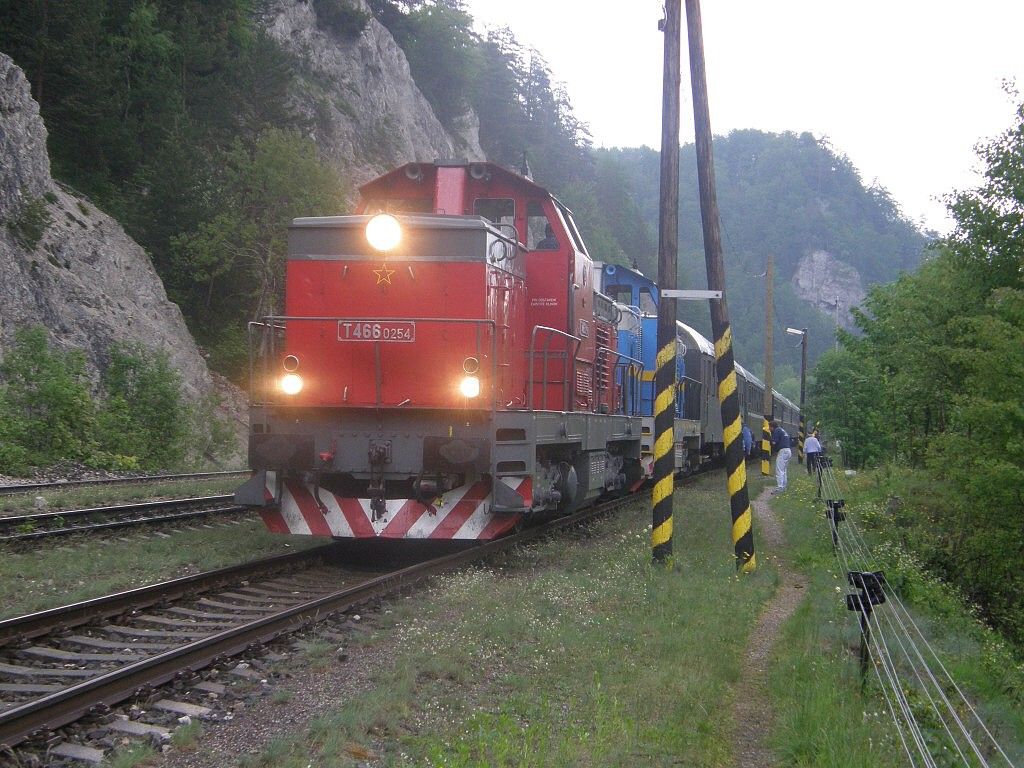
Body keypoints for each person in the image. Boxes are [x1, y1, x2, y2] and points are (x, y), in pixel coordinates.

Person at [770, 419, 792, 493]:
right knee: (784, 470)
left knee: (779, 470)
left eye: (770, 427)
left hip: (783, 451)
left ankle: (780, 487)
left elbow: (774, 442)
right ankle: (784, 486)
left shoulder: (776, 431)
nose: (769, 429)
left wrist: (769, 442)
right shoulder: (781, 430)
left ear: (772, 427)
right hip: (788, 450)